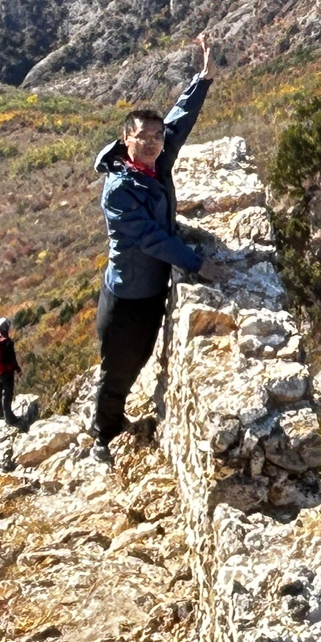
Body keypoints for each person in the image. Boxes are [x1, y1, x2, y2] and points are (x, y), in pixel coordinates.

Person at [89, 39, 214, 459]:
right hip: (130, 297)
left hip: (147, 289)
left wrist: (203, 78)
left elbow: (177, 123)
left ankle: (109, 421)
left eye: (156, 138)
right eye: (142, 137)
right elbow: (151, 239)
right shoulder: (119, 189)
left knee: (136, 358)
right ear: (126, 139)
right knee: (121, 368)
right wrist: (197, 264)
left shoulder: (156, 161)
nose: (152, 143)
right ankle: (103, 434)